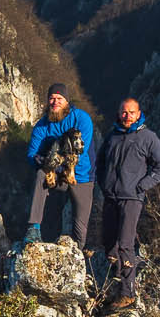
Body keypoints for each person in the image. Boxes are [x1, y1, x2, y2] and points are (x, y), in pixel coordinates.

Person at [95, 97, 160, 310]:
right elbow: (100, 163)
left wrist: (141, 185)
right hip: (110, 197)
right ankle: (116, 283)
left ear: (139, 113)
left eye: (131, 113)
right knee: (109, 242)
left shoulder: (148, 138)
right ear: (119, 113)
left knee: (126, 244)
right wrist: (103, 183)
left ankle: (127, 294)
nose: (127, 116)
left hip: (132, 198)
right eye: (124, 112)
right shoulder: (112, 136)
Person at [21, 83, 95, 248]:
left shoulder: (81, 118)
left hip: (81, 176)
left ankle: (78, 257)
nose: (55, 102)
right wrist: (40, 161)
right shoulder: (42, 125)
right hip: (56, 176)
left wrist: (56, 161)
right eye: (52, 98)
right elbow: (32, 154)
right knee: (41, 174)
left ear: (67, 101)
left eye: (59, 98)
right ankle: (33, 229)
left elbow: (81, 153)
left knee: (80, 228)